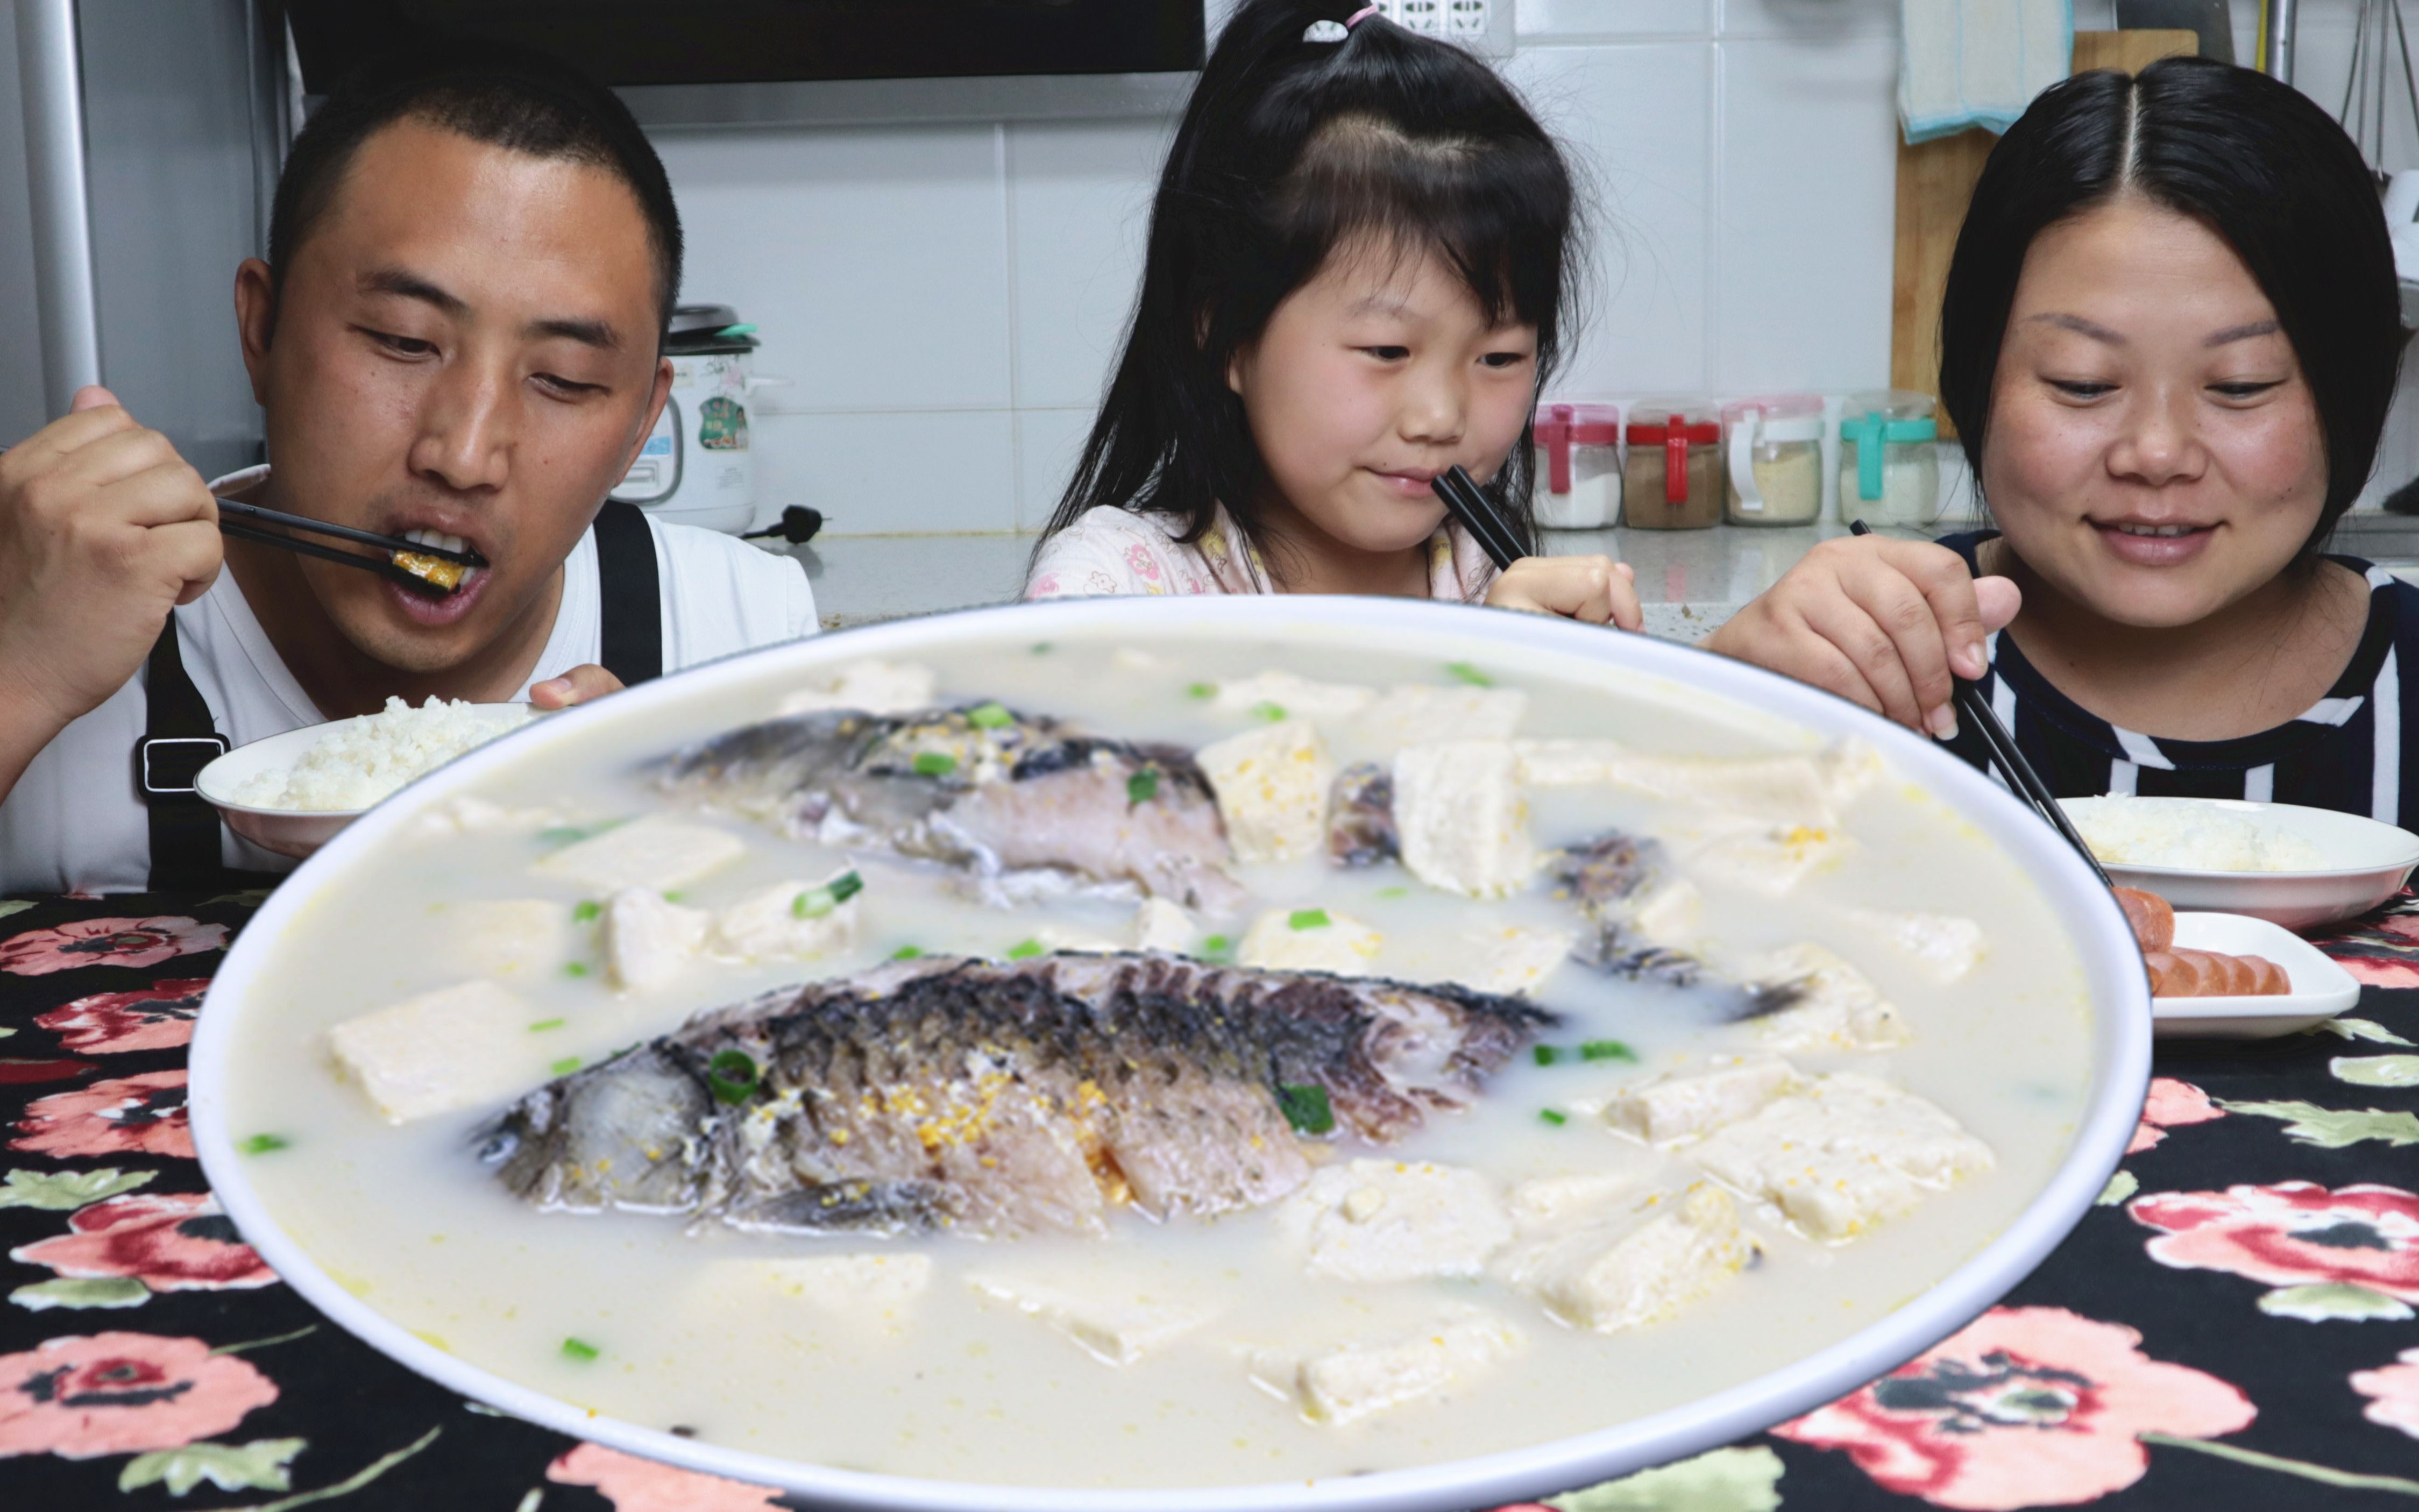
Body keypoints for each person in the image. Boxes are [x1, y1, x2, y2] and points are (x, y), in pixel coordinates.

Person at [0, 48, 817, 896]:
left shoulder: (739, 643)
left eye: (564, 380)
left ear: (641, 421)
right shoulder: (47, 601)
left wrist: (688, 863)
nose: (464, 455)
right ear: (262, 331)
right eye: (401, 340)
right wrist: (19, 679)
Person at [1707, 56, 2419, 824]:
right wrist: (1708, 720)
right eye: (2083, 383)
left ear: (2348, 389)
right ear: (1983, 376)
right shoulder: (1869, 657)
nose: (2154, 453)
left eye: (2240, 385)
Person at [1022, 0, 1639, 628]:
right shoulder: (1109, 586)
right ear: (1226, 334)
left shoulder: (1487, 574)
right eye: (1387, 351)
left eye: (1500, 358)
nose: (1440, 418)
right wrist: (1495, 664)